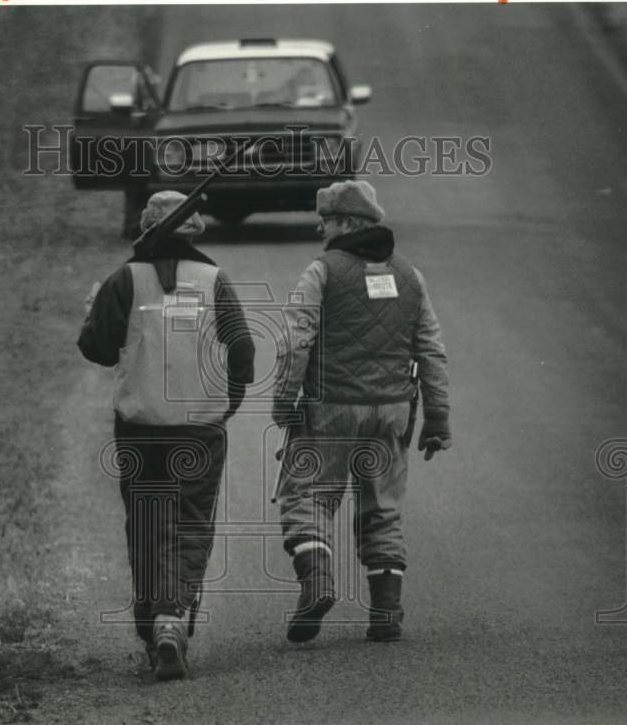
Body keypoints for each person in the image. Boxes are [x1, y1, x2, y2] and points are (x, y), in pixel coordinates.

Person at [79, 191, 255, 681]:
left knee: (146, 522)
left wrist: (92, 313)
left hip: (138, 429)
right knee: (190, 525)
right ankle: (172, 620)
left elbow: (96, 349)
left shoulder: (124, 280)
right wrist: (227, 403)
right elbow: (243, 349)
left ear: (145, 228)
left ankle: (150, 621)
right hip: (200, 428)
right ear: (195, 229)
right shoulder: (214, 279)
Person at [272, 180, 451, 643]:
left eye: (327, 219)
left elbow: (296, 340)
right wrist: (437, 419)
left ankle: (317, 584)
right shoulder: (410, 275)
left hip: (330, 410)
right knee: (382, 510)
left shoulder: (322, 271)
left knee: (305, 498)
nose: (320, 226)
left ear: (347, 223)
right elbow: (431, 351)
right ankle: (386, 613)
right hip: (391, 413)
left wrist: (283, 400)